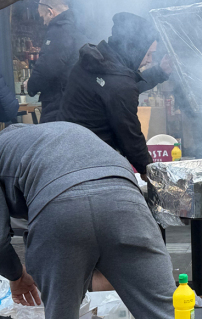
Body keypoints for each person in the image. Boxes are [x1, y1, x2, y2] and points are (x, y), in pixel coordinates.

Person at [0, 122, 176, 319]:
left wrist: (15, 275)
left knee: (61, 313)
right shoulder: (62, 129)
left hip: (59, 210)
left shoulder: (4, 148)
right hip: (126, 202)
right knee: (166, 311)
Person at [58, 13, 169, 178]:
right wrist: (148, 171)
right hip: (93, 167)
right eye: (148, 54)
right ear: (134, 49)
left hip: (66, 156)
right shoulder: (119, 83)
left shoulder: (94, 61)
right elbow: (130, 136)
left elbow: (115, 91)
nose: (148, 60)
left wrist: (160, 72)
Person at [24, 0, 88, 123]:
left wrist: (30, 85)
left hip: (58, 102)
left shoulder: (58, 30)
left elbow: (48, 67)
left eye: (42, 17)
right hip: (78, 101)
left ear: (50, 12)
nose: (44, 22)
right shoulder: (78, 28)